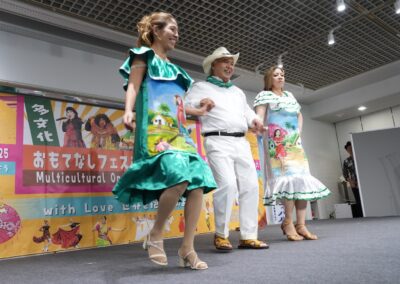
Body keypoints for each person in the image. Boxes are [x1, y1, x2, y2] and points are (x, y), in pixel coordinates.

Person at [112, 12, 216, 270]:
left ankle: (186, 249)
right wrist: (128, 110)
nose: (176, 34)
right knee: (179, 176)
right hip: (155, 134)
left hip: (179, 133)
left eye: (177, 30)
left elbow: (177, 106)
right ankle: (156, 233)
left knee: (198, 184)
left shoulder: (178, 71)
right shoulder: (142, 56)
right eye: (172, 28)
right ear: (156, 31)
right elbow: (134, 86)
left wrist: (199, 112)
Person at [185, 47, 268, 250]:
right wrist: (201, 103)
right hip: (217, 140)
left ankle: (248, 236)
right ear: (213, 65)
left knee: (251, 186)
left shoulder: (237, 91)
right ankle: (221, 234)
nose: (230, 66)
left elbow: (247, 113)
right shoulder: (201, 86)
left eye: (232, 62)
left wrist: (255, 121)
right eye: (225, 61)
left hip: (242, 141)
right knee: (228, 184)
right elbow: (186, 104)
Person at [254, 66, 331, 241]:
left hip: (295, 143)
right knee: (287, 181)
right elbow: (259, 117)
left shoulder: (290, 96)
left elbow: (299, 115)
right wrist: (258, 126)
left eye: (282, 74)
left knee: (301, 180)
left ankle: (301, 225)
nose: (280, 77)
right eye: (276, 75)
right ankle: (288, 222)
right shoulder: (265, 95)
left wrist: (298, 133)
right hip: (277, 143)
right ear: (269, 79)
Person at [343, 141, 364, 218]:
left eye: (351, 148)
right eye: (348, 149)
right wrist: (350, 181)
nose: (350, 150)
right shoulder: (346, 161)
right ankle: (362, 216)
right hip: (354, 183)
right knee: (358, 200)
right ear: (347, 150)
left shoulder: (360, 157)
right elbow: (345, 173)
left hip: (363, 182)